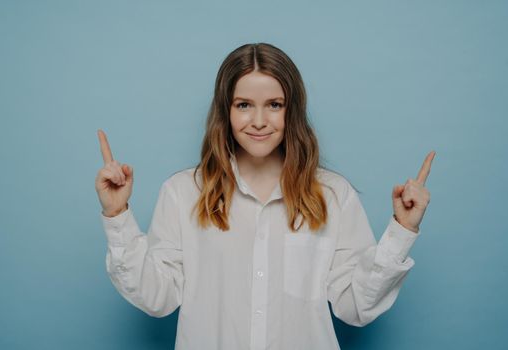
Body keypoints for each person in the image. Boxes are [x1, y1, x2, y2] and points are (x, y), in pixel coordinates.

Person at [95, 42, 435, 350]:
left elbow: (356, 306)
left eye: (274, 104)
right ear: (225, 111)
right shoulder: (183, 193)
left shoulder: (333, 195)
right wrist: (117, 216)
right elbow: (158, 297)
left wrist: (400, 232)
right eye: (244, 105)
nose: (259, 121)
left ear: (293, 111)